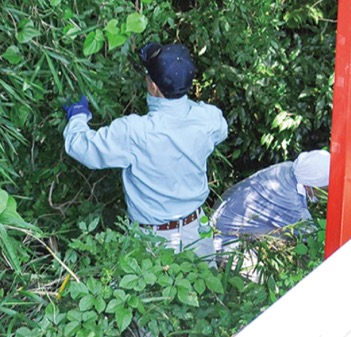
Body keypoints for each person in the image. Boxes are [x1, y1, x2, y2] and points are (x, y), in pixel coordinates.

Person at [63, 41, 228, 256]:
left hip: (153, 242)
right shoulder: (209, 118)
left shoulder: (134, 132)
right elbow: (220, 132)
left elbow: (83, 148)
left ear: (153, 86)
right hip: (198, 233)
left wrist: (77, 117)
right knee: (205, 290)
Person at [211, 150, 330, 255]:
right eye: (324, 189)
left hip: (221, 212)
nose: (326, 193)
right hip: (224, 240)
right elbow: (314, 237)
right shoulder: (291, 202)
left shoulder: (289, 168)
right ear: (310, 187)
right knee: (255, 278)